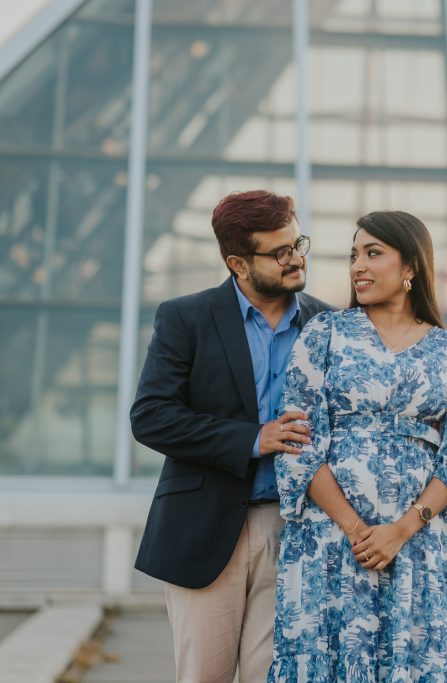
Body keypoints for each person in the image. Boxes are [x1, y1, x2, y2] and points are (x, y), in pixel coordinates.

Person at [268, 210, 447, 682]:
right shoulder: (324, 335)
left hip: (419, 549)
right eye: (352, 255)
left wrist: (401, 530)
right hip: (329, 541)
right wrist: (358, 531)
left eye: (373, 253)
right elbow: (300, 442)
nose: (357, 267)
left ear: (411, 267)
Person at [131, 190, 333, 683]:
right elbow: (151, 416)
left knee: (277, 676)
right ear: (238, 263)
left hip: (296, 531)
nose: (296, 259)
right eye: (280, 252)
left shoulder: (329, 324)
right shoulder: (186, 318)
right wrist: (251, 439)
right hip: (204, 528)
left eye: (298, 243)